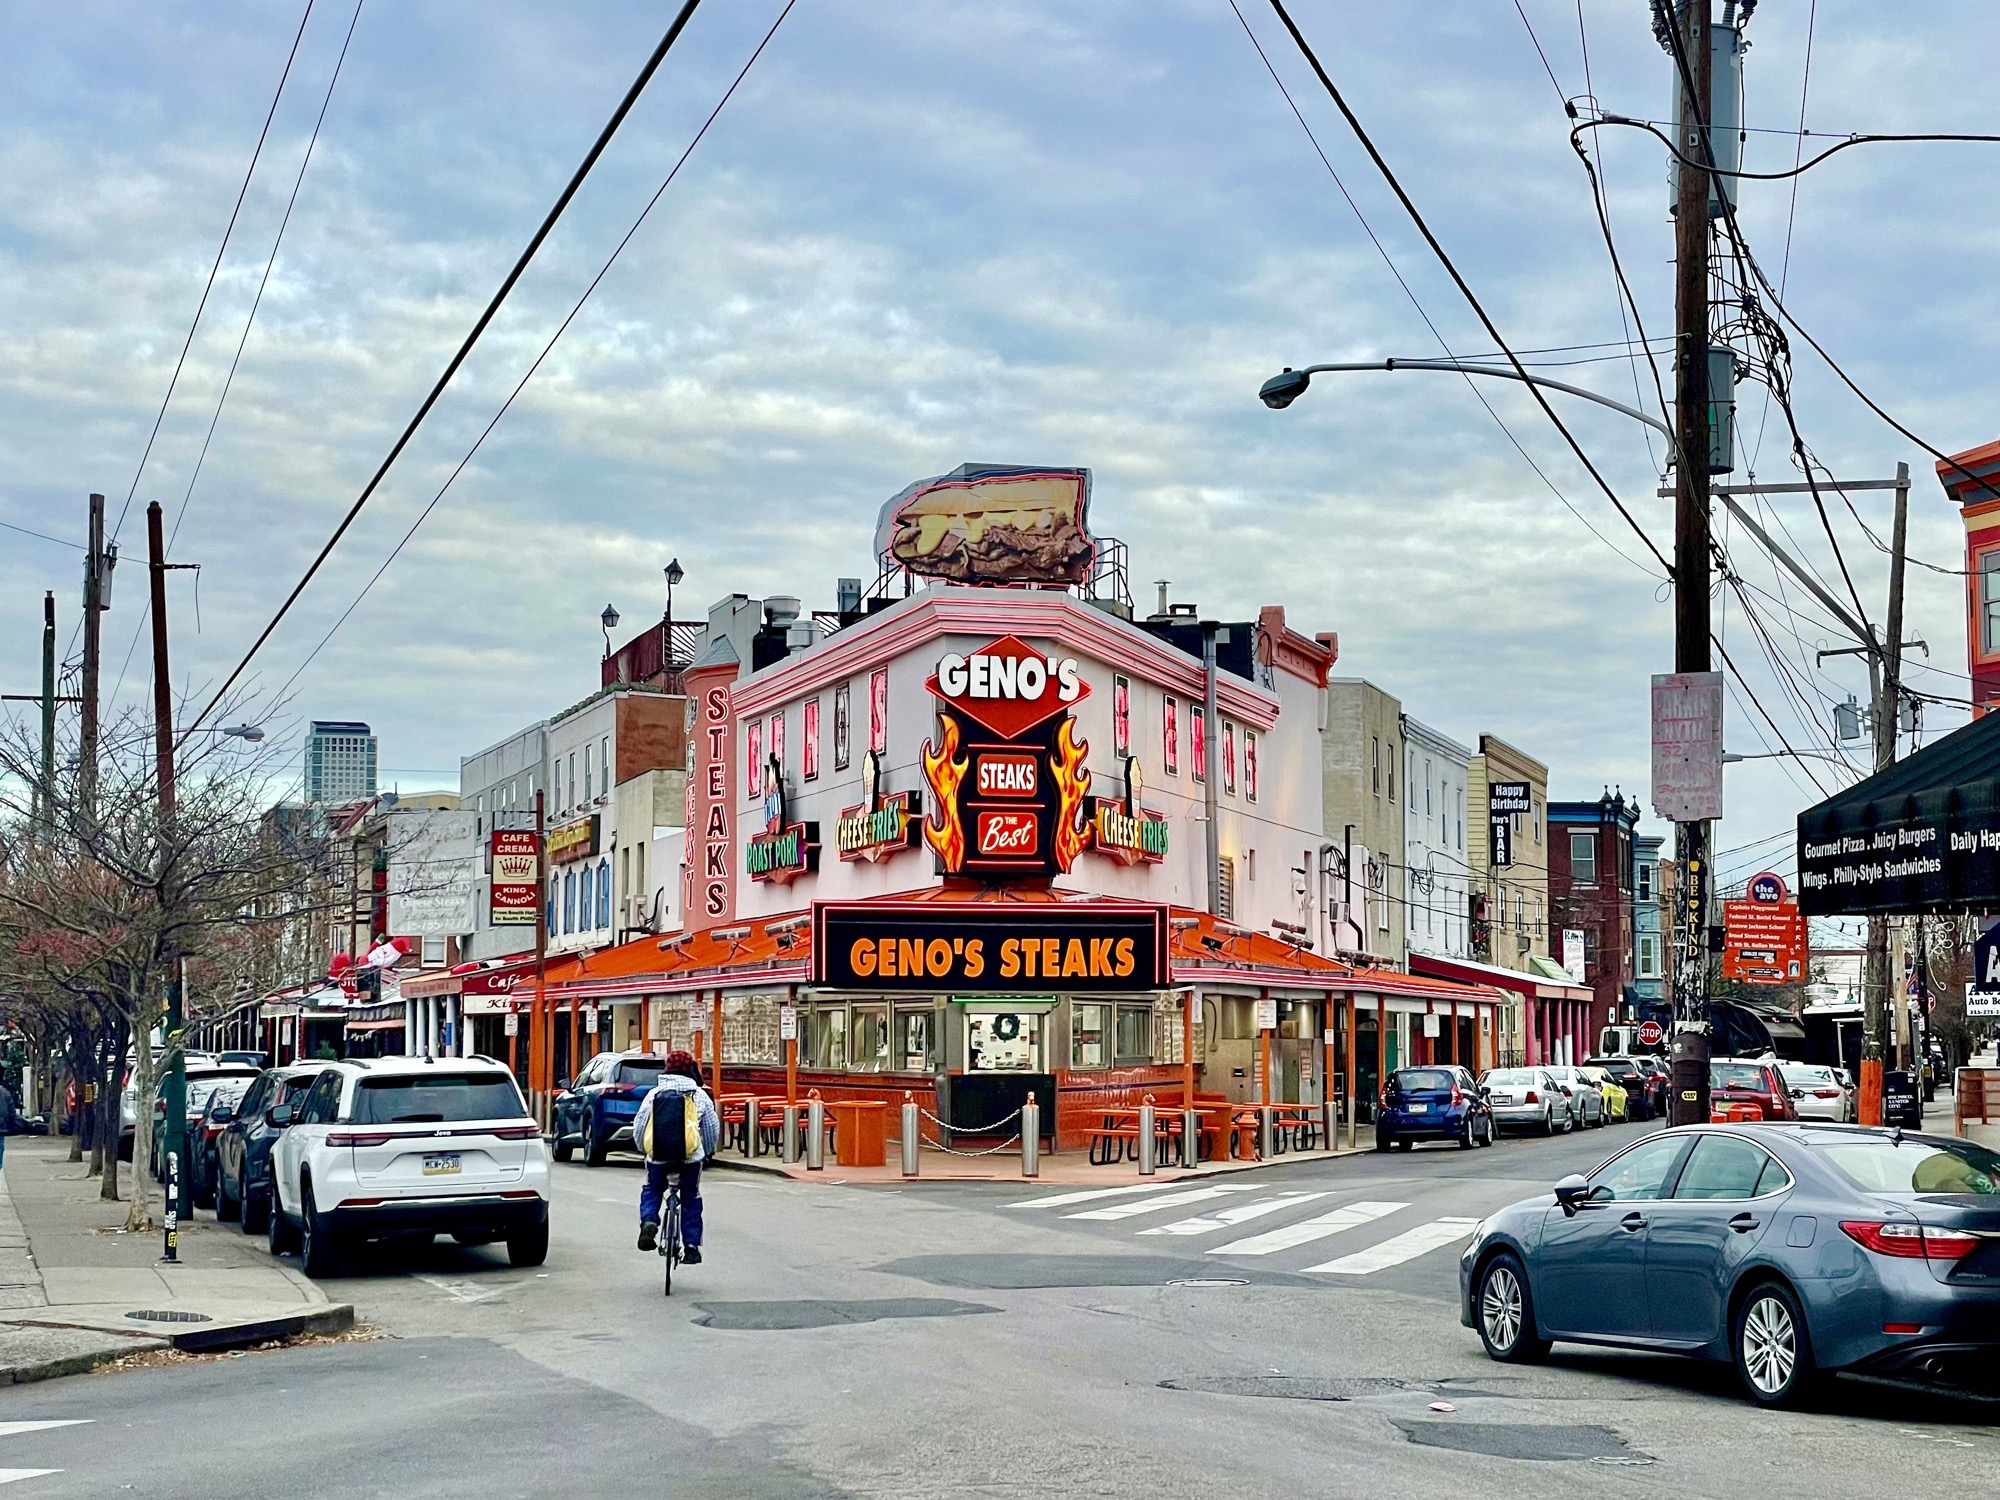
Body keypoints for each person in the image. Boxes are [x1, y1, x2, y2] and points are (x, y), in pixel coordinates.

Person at [634, 1050, 719, 1262]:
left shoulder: (654, 1094)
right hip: (690, 1158)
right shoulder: (699, 1095)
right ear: (691, 1069)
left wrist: (645, 1149)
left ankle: (648, 1222)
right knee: (691, 1197)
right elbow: (711, 1129)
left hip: (658, 1157)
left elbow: (640, 1126)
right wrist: (705, 1151)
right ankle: (691, 1246)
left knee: (653, 1189)